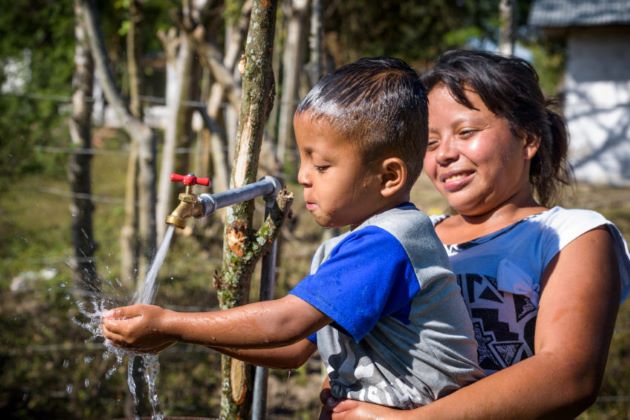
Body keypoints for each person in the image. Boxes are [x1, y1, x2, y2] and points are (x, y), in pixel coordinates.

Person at [102, 57, 484, 410]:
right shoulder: (352, 248)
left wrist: (173, 322)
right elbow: (295, 349)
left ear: (387, 177)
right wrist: (188, 335)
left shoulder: (388, 244)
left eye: (321, 165)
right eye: (303, 160)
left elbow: (285, 324)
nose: (302, 176)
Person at [322, 49, 630, 419]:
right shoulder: (406, 235)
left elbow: (569, 375)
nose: (445, 154)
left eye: (466, 132)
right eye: (431, 143)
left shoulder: (572, 234)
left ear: (528, 138)